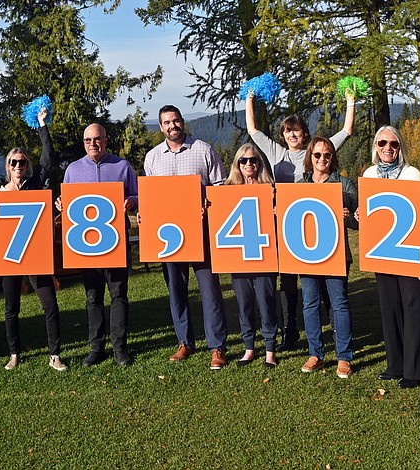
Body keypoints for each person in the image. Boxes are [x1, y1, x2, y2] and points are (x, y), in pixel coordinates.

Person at [245, 88, 357, 349]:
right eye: (287, 131)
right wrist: (249, 98)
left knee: (327, 276)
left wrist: (350, 101)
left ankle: (335, 327)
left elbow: (346, 132)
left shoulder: (316, 154)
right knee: (289, 281)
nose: (292, 134)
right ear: (283, 135)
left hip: (317, 224)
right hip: (285, 224)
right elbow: (253, 130)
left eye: (296, 130)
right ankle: (290, 330)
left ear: (304, 134)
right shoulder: (275, 152)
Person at [144, 105, 230, 370]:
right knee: (176, 292)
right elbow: (151, 197)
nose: (173, 126)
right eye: (167, 122)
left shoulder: (202, 150)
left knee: (210, 291)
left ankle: (217, 347)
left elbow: (221, 187)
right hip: (168, 238)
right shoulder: (152, 158)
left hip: (200, 233)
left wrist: (209, 205)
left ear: (182, 122)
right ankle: (185, 342)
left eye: (176, 120)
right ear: (161, 127)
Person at [60, 121, 138, 367]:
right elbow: (67, 202)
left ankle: (119, 348)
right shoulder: (73, 170)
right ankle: (96, 348)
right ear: (83, 143)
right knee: (92, 296)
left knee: (118, 294)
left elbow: (138, 195)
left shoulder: (122, 166)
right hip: (87, 245)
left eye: (97, 139)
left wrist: (131, 202)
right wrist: (61, 203)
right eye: (88, 140)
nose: (92, 144)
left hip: (115, 241)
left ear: (105, 140)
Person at [361, 126, 420, 388]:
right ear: (375, 147)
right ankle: (396, 363)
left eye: (393, 143)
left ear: (400, 146)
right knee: (390, 306)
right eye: (382, 143)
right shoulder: (369, 174)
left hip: (411, 250)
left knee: (413, 307)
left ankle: (418, 369)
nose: (387, 148)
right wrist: (361, 217)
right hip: (383, 251)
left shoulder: (413, 174)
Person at [0, 121, 66, 371]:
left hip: (35, 255)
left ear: (27, 165)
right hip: (11, 257)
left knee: (50, 305)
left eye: (22, 162)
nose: (18, 166)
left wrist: (42, 125)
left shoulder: (35, 185)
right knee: (11, 309)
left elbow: (48, 156)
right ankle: (14, 353)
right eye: (13, 163)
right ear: (8, 167)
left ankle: (54, 354)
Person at [296, 137, 358, 379]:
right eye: (317, 155)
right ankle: (316, 354)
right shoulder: (299, 185)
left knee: (340, 304)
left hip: (336, 253)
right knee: (310, 304)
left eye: (327, 155)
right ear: (310, 157)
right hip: (307, 253)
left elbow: (360, 220)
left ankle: (344, 356)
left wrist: (349, 217)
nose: (322, 159)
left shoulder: (344, 184)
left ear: (333, 158)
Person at [224, 143, 278, 369]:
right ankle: (248, 347)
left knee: (266, 302)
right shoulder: (226, 190)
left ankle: (270, 350)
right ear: (237, 164)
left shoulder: (270, 188)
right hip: (239, 255)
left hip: (264, 255)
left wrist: (277, 208)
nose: (249, 164)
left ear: (260, 163)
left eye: (253, 160)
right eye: (243, 161)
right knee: (244, 303)